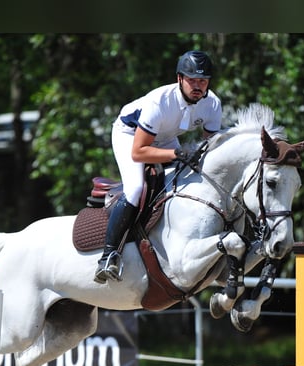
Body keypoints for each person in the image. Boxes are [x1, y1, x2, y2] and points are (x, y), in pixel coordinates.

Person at [94, 49, 223, 284]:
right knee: (135, 188)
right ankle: (109, 255)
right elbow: (139, 151)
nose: (198, 86)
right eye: (192, 80)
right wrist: (176, 153)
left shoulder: (212, 104)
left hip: (165, 137)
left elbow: (210, 146)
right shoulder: (160, 101)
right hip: (131, 135)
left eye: (203, 81)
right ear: (179, 79)